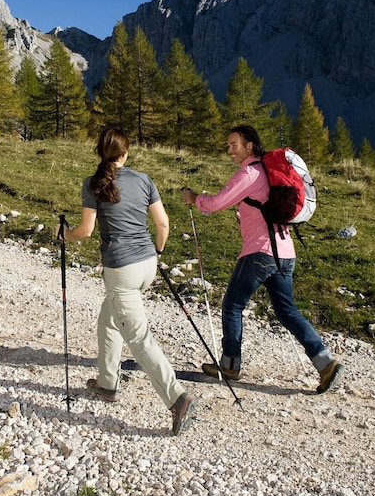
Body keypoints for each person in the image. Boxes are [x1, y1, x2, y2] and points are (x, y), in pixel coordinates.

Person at [181, 125, 343, 393]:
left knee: (232, 304)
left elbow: (217, 202)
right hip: (284, 252)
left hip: (260, 252)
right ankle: (325, 363)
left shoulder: (249, 172)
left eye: (234, 144)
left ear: (250, 146)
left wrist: (195, 198)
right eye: (228, 145)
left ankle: (230, 365)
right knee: (287, 311)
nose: (229, 150)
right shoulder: (267, 173)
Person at [59, 127, 197, 435]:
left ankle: (177, 398)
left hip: (121, 270)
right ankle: (107, 383)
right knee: (109, 321)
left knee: (139, 338)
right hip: (147, 264)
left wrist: (64, 235)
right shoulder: (144, 179)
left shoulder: (93, 184)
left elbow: (85, 231)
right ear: (126, 152)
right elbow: (163, 224)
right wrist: (157, 251)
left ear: (100, 152)